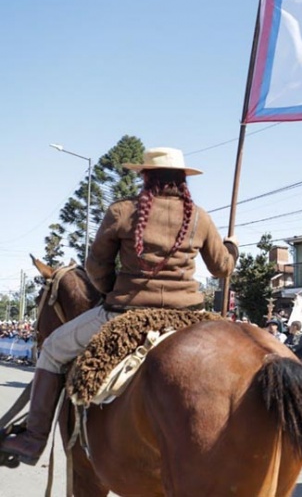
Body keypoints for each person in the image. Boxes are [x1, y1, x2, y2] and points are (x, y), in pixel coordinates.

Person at [0, 147, 239, 465]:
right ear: (183, 180)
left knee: (53, 349)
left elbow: (96, 267)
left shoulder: (122, 211)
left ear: (145, 176)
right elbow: (222, 267)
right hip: (189, 318)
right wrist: (232, 247)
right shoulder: (199, 217)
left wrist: (114, 292)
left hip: (127, 316)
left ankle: (32, 439)